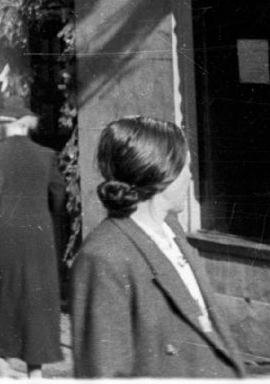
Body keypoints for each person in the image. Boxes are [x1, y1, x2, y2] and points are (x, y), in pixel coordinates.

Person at [71, 116, 245, 378]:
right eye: (187, 166)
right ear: (164, 173)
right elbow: (104, 370)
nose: (190, 176)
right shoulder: (104, 257)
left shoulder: (172, 232)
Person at [0, 97, 66, 375]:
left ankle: (2, 370)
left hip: (5, 239)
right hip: (39, 239)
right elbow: (59, 197)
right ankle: (35, 372)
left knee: (1, 299)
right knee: (35, 303)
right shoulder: (46, 155)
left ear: (6, 125)